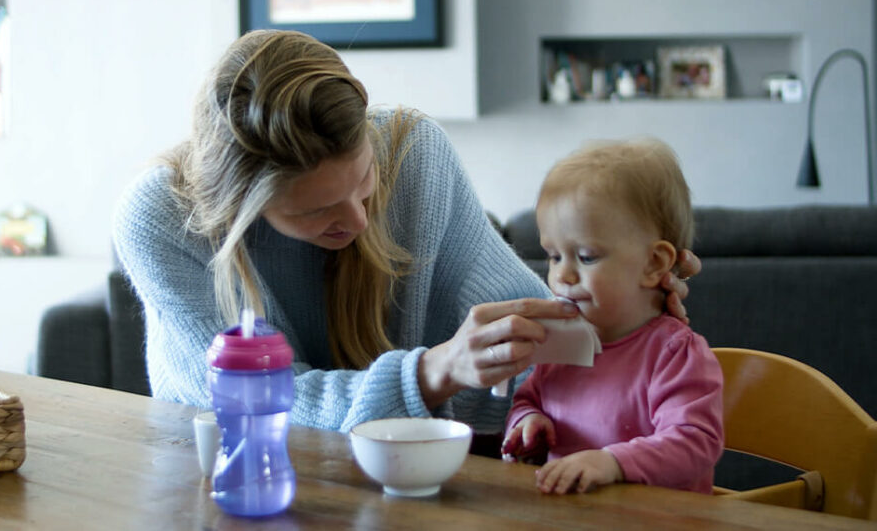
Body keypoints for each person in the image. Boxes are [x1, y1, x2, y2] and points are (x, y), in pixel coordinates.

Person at [112, 29, 700, 435]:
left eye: (362, 181)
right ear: (239, 203)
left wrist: (624, 312)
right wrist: (429, 373)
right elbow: (259, 406)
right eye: (315, 212)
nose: (359, 220)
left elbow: (535, 348)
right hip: (230, 488)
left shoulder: (409, 153)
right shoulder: (162, 219)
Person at [500, 138, 723, 494]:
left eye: (586, 257)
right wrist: (528, 421)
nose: (564, 277)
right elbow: (528, 398)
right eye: (554, 257)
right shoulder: (560, 343)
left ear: (654, 263)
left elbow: (695, 443)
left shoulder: (674, 353)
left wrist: (611, 462)